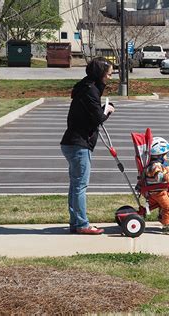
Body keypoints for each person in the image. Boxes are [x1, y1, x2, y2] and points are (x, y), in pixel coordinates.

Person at [60, 57, 115, 235]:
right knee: (80, 185)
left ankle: (76, 222)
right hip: (78, 144)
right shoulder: (90, 90)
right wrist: (108, 110)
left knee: (76, 185)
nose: (110, 77)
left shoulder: (86, 87)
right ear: (100, 74)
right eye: (108, 74)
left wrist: (102, 109)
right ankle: (82, 224)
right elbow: (98, 118)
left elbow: (91, 114)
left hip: (74, 142)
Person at [145, 137, 169, 233]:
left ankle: (162, 217)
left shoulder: (155, 164)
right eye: (165, 155)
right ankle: (166, 226)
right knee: (168, 207)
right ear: (159, 155)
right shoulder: (155, 166)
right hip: (157, 192)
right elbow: (160, 177)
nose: (166, 157)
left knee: (167, 198)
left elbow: (164, 170)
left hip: (157, 190)